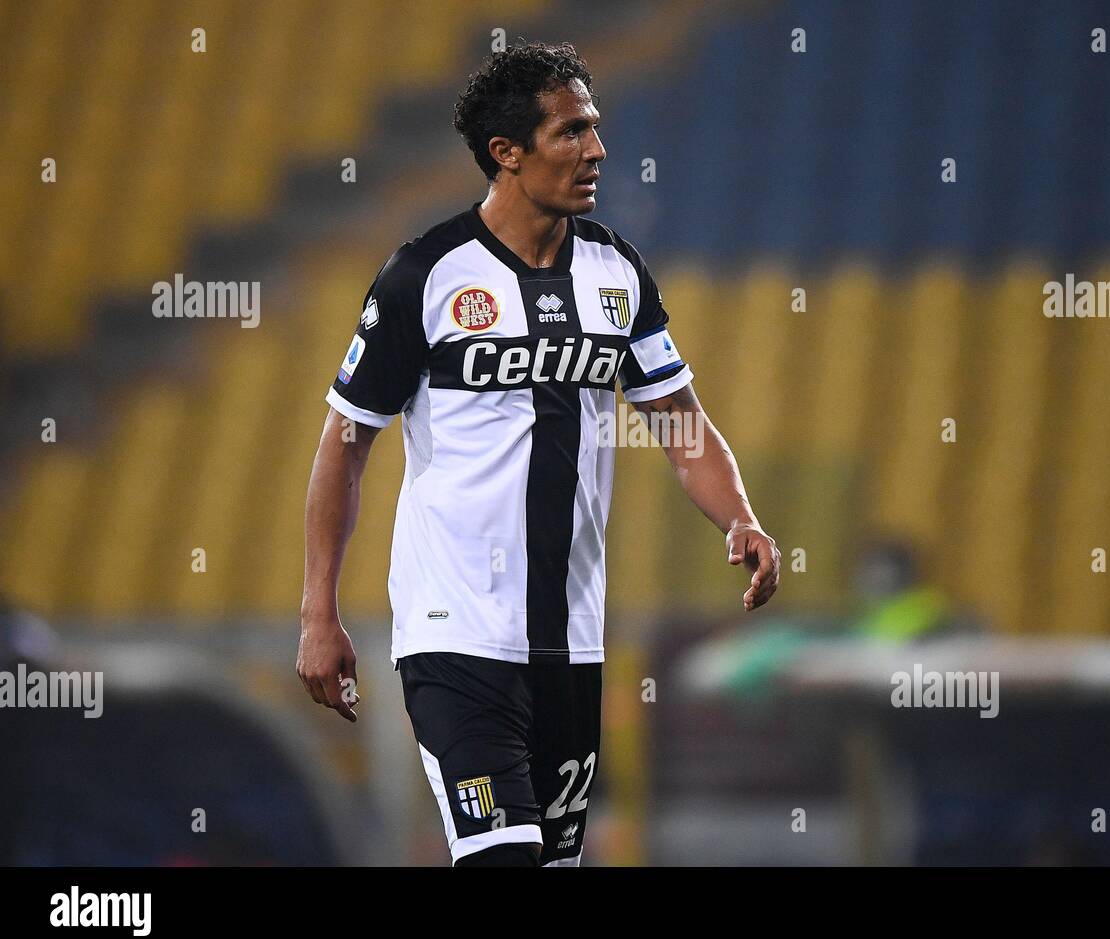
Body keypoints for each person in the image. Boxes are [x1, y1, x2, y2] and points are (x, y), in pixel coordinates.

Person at [297, 42, 779, 866]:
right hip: (456, 637)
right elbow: (345, 442)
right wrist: (318, 611)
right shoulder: (427, 275)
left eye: (593, 130)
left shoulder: (617, 272)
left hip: (570, 642)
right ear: (507, 154)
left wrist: (741, 517)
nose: (596, 150)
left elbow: (680, 420)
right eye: (571, 132)